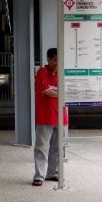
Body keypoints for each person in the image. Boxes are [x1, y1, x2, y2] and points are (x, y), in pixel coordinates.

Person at [33, 47, 67, 186]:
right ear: (48, 59)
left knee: (58, 148)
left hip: (61, 117)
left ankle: (53, 173)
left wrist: (55, 90)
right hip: (45, 117)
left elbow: (66, 90)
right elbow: (47, 92)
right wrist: (58, 90)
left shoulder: (63, 73)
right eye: (54, 60)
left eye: (59, 60)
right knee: (41, 147)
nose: (57, 63)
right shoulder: (41, 72)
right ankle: (39, 176)